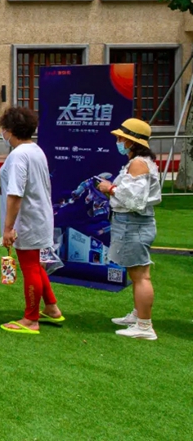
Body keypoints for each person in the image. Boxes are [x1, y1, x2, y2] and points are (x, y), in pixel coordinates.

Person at [0, 107, 64, 335]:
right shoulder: (36, 150)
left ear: (10, 130)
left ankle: (30, 318)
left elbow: (15, 194)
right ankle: (51, 307)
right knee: (35, 264)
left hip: (27, 220)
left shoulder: (18, 156)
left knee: (30, 267)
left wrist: (8, 228)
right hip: (39, 216)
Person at [97, 118, 162, 340]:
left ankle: (144, 325)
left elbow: (135, 200)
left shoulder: (138, 164)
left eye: (121, 138)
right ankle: (138, 315)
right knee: (138, 274)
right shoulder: (141, 162)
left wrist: (110, 188)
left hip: (134, 223)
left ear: (131, 141)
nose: (118, 141)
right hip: (134, 222)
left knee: (141, 275)